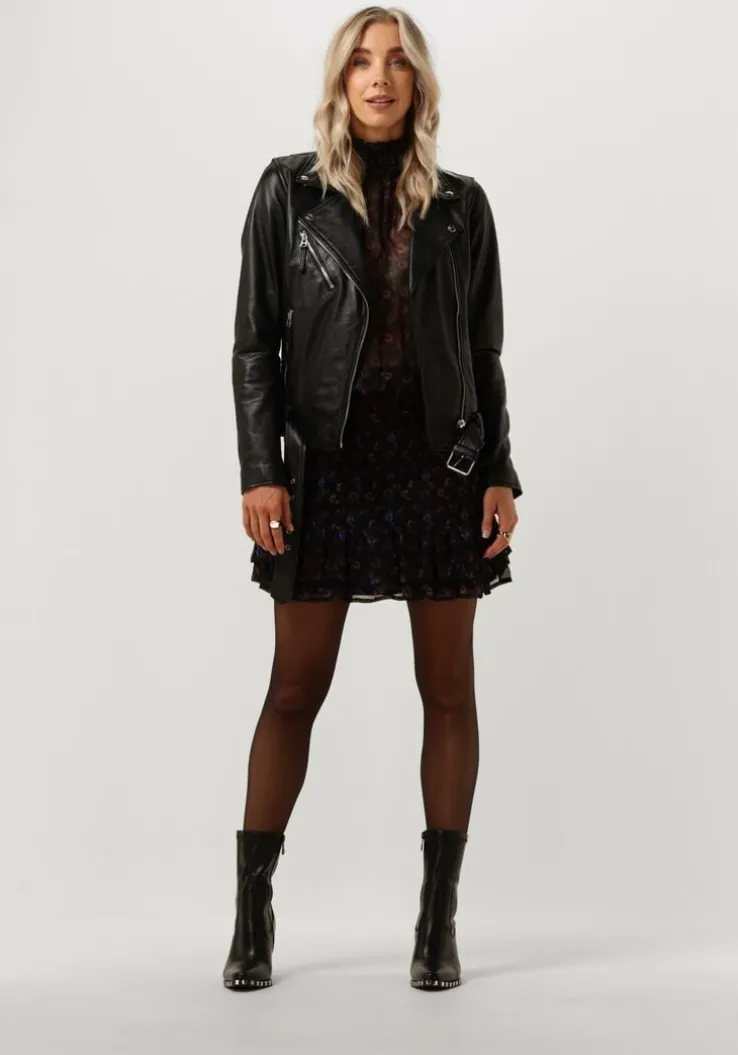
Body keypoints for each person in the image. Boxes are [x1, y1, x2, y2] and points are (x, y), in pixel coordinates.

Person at [223, 6, 522, 992]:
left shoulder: (463, 207)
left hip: (440, 472)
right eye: (361, 61)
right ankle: (253, 911)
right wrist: (260, 468)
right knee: (293, 690)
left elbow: (483, 352)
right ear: (340, 80)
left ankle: (438, 921)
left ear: (418, 82)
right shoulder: (290, 192)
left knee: (450, 692)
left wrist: (500, 469)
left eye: (396, 62)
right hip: (326, 471)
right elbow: (255, 342)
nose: (379, 76)